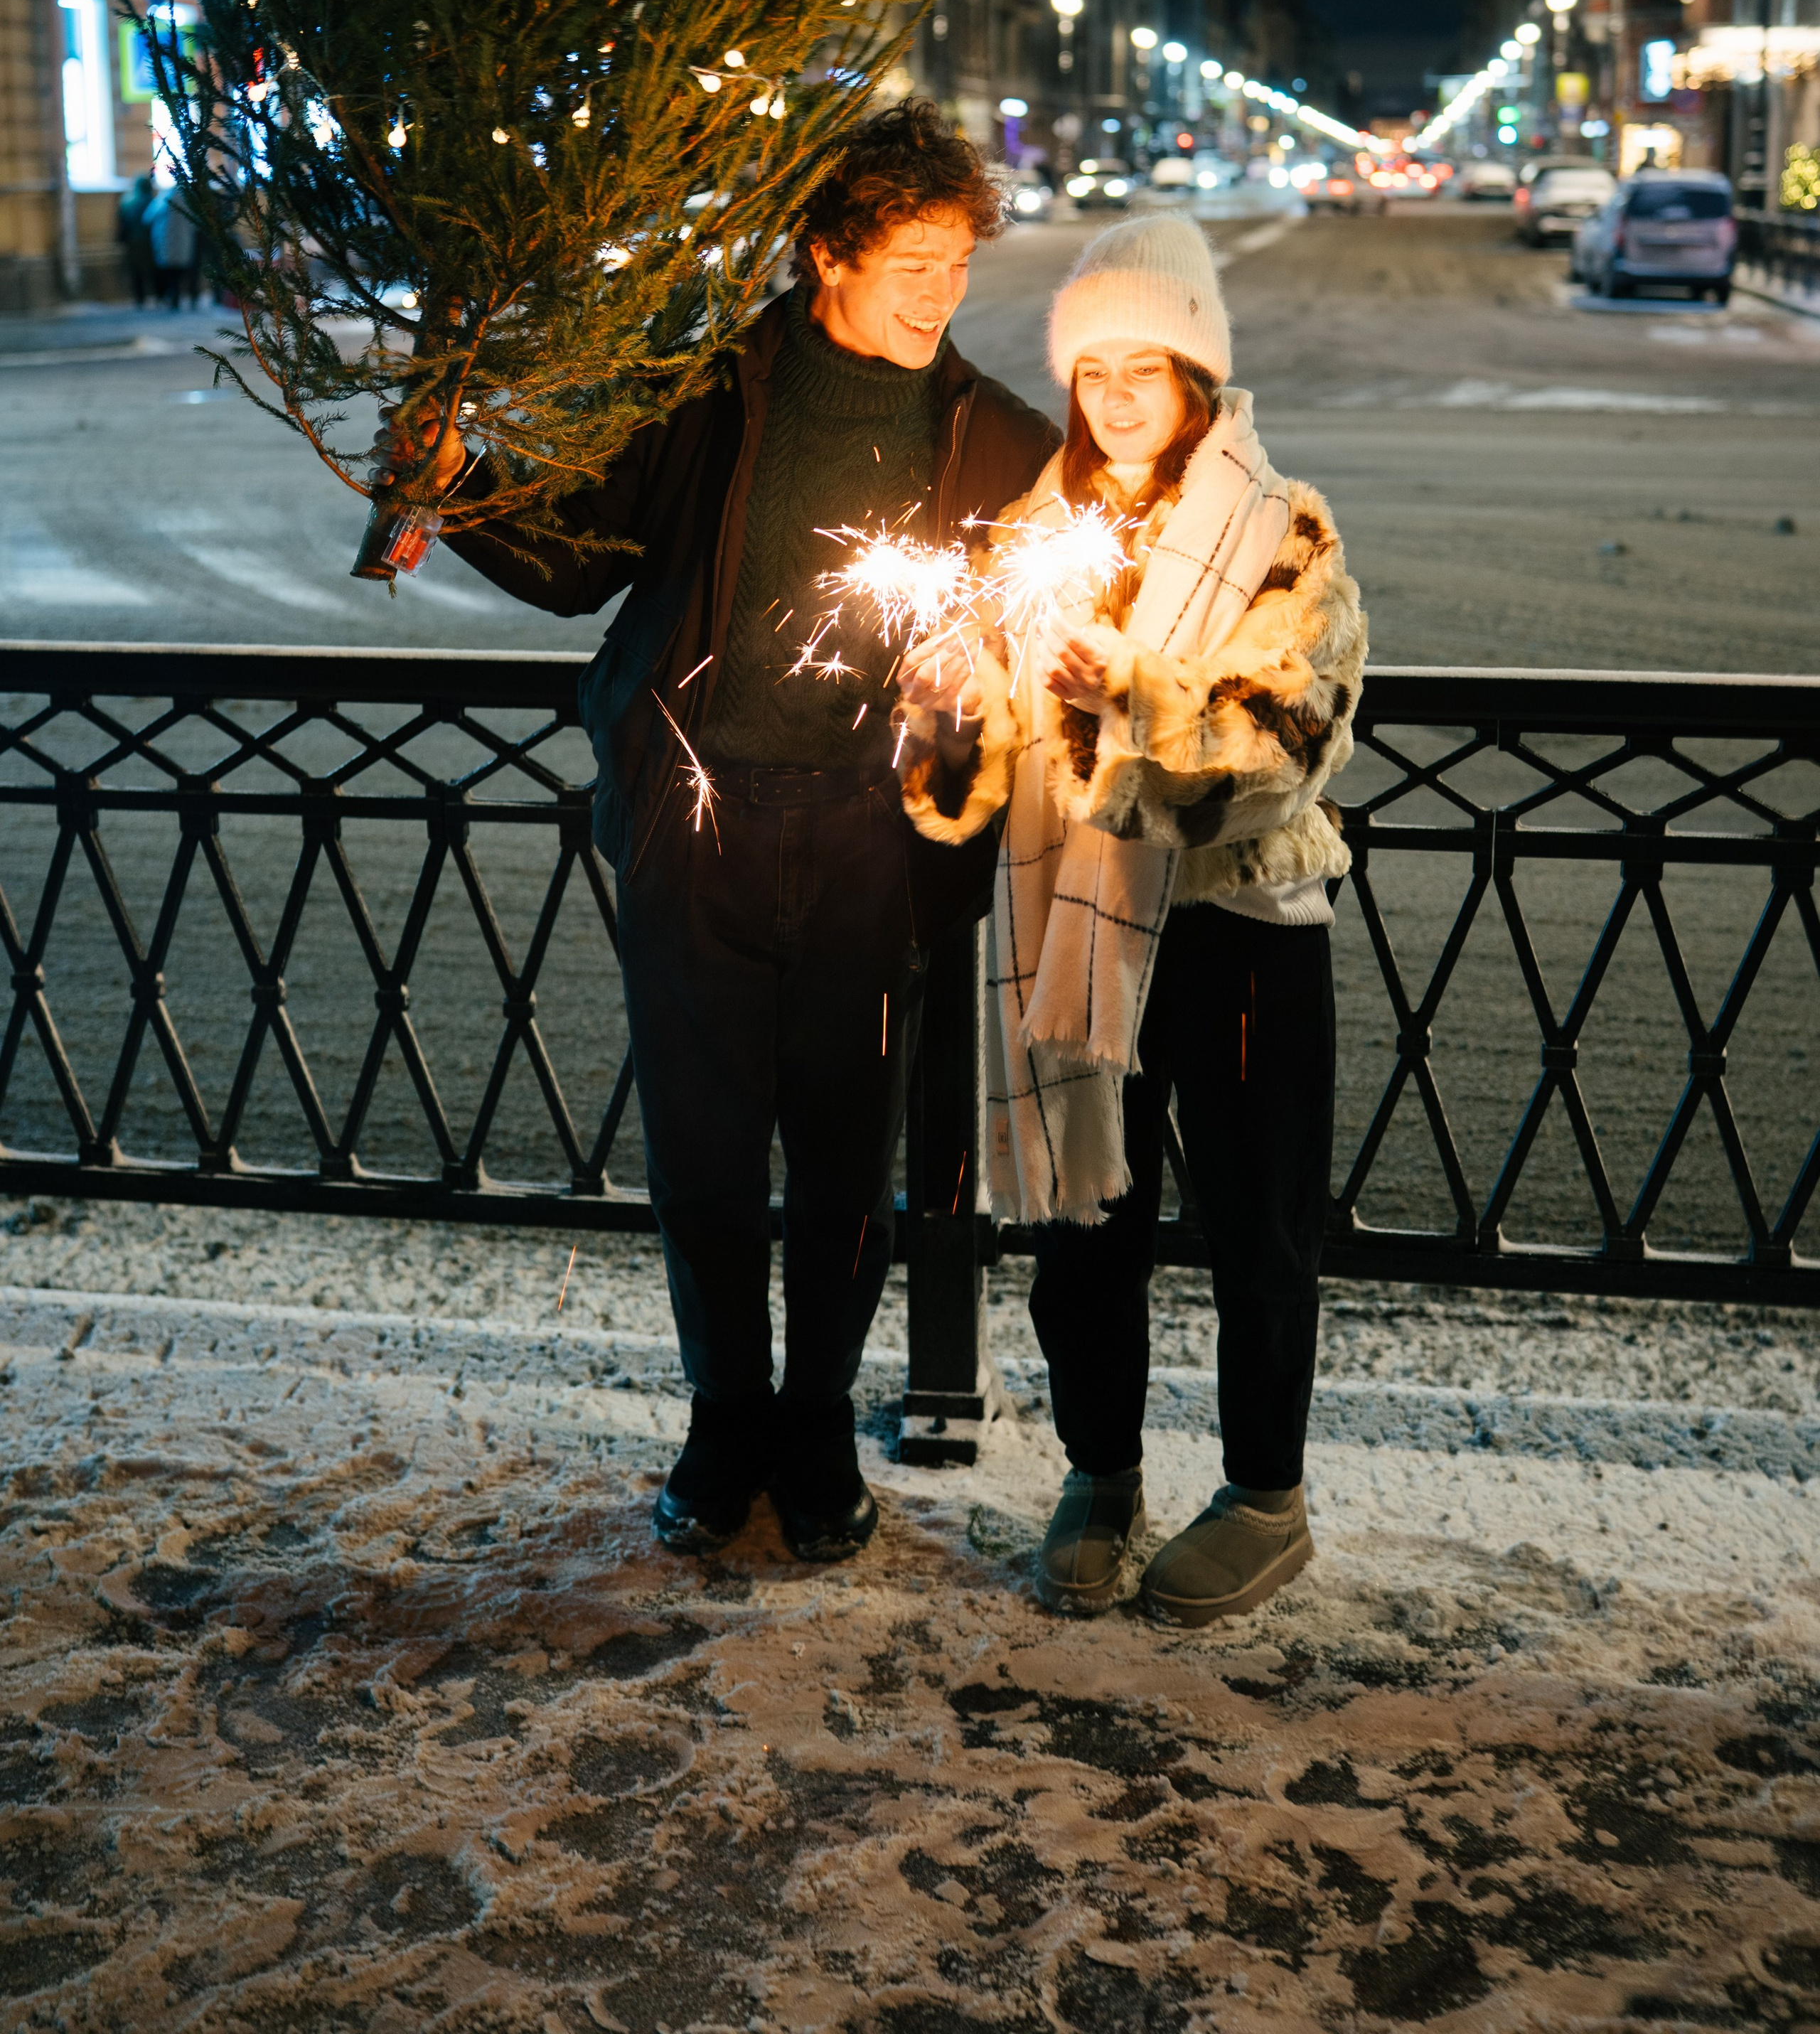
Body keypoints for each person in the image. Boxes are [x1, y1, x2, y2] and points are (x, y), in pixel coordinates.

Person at [407, 102, 1056, 1561]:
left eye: (957, 262)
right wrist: (454, 488)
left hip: (870, 842)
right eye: (911, 259)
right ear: (826, 249)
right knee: (701, 1150)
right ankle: (721, 1418)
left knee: (841, 1160)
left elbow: (1059, 627)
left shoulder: (998, 442)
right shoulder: (707, 392)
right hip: (689, 824)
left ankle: (816, 1423)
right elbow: (579, 558)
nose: (940, 292)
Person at [896, 215, 1366, 1625]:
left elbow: (1284, 743)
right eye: (1087, 365)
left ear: (1194, 374)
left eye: (1140, 365)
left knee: (1256, 1232)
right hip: (1077, 926)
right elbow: (973, 771)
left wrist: (1131, 705)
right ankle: (1098, 1476)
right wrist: (944, 719)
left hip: (1240, 931)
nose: (1108, 394)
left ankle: (1264, 1499)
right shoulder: (1034, 537)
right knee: (1083, 1225)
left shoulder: (1283, 530)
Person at [114, 169, 159, 306]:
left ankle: (139, 298)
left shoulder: (126, 202)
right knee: (151, 270)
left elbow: (122, 223)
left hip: (132, 242)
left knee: (136, 271)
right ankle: (157, 295)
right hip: (148, 241)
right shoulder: (151, 201)